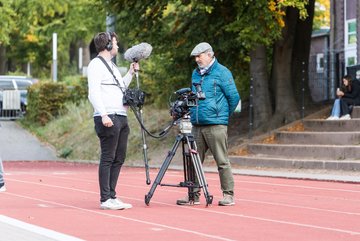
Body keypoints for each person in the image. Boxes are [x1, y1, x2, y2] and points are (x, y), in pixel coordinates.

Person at [176, 42, 240, 206]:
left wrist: (221, 115)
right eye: (195, 57)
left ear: (209, 54)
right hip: (197, 124)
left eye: (199, 56)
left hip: (216, 124)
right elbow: (193, 96)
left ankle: (228, 195)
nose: (197, 59)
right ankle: (194, 195)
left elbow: (234, 98)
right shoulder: (195, 74)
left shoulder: (223, 72)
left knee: (222, 160)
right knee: (194, 160)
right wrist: (189, 112)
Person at [87, 32, 139, 210]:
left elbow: (121, 87)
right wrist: (103, 114)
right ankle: (105, 199)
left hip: (121, 115)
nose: (117, 47)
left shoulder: (113, 66)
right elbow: (93, 93)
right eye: (115, 43)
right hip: (108, 116)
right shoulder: (95, 65)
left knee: (119, 157)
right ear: (108, 45)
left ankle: (112, 195)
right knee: (108, 157)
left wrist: (131, 73)